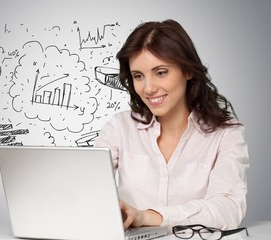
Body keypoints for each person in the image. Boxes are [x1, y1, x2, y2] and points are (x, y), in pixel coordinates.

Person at [94, 19, 249, 231]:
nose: (148, 88)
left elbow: (229, 208)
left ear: (188, 71)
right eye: (138, 76)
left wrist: (149, 217)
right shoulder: (120, 127)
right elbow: (84, 188)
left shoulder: (226, 133)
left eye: (161, 72)